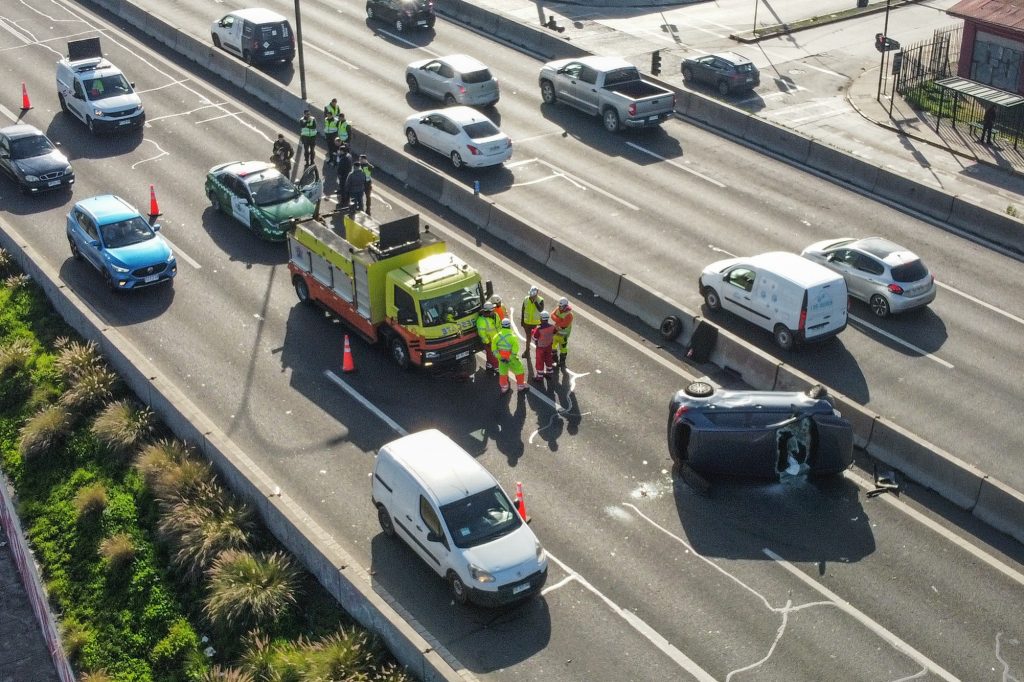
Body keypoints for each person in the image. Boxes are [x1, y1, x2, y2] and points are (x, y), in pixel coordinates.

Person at [492, 318, 526, 393]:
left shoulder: (496, 336)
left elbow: (494, 350)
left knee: (503, 372)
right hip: (511, 358)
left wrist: (500, 357)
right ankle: (520, 387)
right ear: (509, 326)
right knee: (519, 370)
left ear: (502, 326)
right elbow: (515, 350)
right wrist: (509, 358)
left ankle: (504, 388)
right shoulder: (513, 337)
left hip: (501, 358)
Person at [520, 287, 544, 358]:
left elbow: (540, 309)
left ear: (536, 294)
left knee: (537, 340)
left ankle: (539, 354)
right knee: (528, 339)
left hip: (536, 324)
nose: (531, 297)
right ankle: (527, 352)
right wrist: (522, 321)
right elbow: (523, 310)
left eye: (533, 296)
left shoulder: (540, 300)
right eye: (530, 295)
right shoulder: (526, 299)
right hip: (527, 323)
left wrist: (535, 302)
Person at [476, 301, 500, 370]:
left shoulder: (495, 316)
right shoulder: (481, 321)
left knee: (490, 354)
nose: (493, 311)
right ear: (488, 312)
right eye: (492, 310)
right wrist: (487, 342)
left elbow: (499, 326)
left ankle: (489, 364)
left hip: (496, 339)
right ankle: (496, 367)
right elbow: (482, 334)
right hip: (488, 342)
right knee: (494, 354)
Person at [550, 297, 573, 369]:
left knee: (563, 348)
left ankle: (562, 361)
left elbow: (564, 325)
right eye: (559, 306)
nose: (559, 307)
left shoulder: (569, 315)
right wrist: (559, 320)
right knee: (553, 345)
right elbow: (552, 315)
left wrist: (557, 321)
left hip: (564, 335)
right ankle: (554, 358)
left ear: (565, 306)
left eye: (561, 306)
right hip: (556, 332)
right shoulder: (558, 309)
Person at [532, 311, 556, 379]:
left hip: (540, 348)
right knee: (548, 358)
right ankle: (549, 372)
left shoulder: (539, 329)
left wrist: (533, 331)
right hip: (549, 346)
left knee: (540, 361)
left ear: (541, 319)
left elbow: (534, 338)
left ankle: (539, 376)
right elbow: (554, 332)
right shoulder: (552, 327)